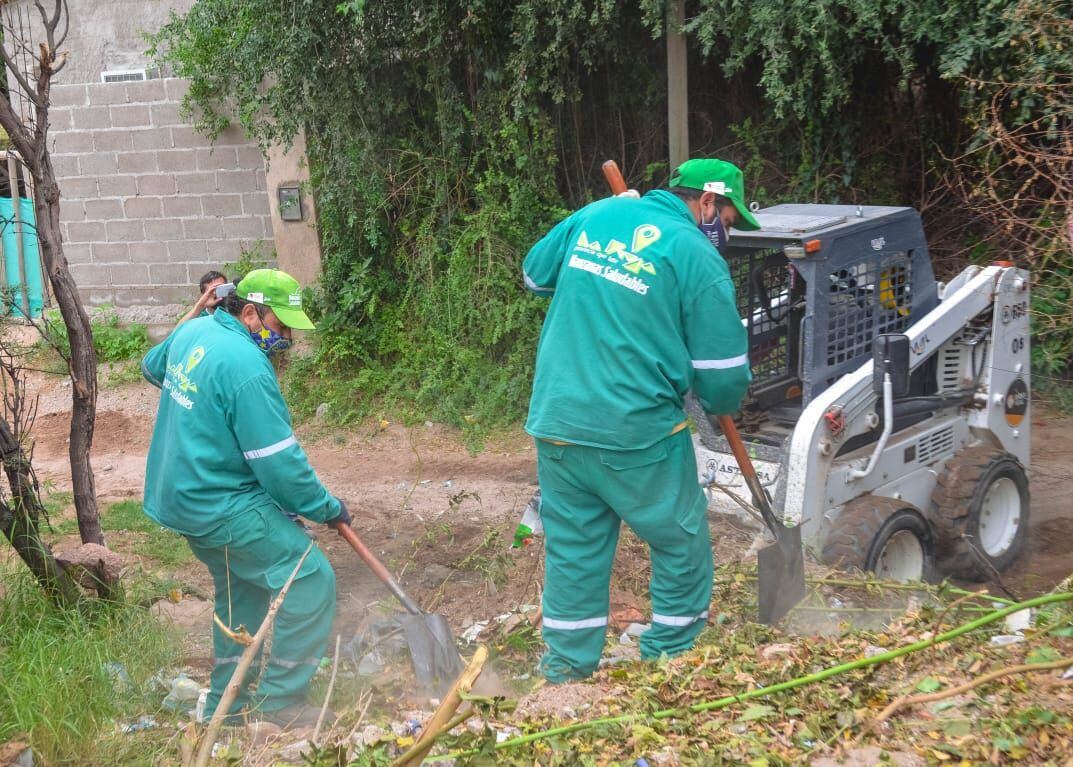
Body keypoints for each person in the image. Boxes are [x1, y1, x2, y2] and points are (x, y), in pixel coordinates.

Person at [523, 157, 758, 682]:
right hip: (634, 431)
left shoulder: (596, 218)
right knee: (678, 538)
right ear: (706, 203)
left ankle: (565, 671)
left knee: (576, 548)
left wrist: (595, 211)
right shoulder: (696, 255)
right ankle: (671, 656)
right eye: (730, 218)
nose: (728, 231)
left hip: (557, 422)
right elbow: (721, 376)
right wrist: (721, 399)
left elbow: (534, 273)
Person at [141, 268, 350, 728]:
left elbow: (152, 367)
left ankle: (225, 708)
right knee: (310, 579)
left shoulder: (195, 329)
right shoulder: (246, 367)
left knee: (243, 595)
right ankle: (281, 705)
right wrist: (326, 507)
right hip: (218, 501)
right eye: (281, 327)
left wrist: (198, 313)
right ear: (251, 312)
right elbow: (278, 464)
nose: (287, 339)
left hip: (179, 496)